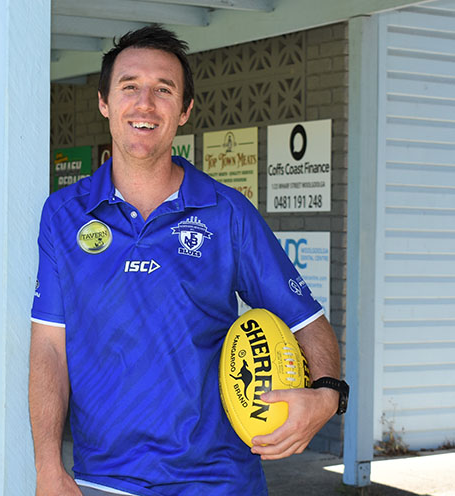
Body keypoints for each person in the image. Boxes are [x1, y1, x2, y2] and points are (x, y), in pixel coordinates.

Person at [29, 25, 346, 496]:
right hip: (103, 480)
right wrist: (47, 468)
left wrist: (328, 394)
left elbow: (306, 320)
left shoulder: (227, 212)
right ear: (104, 102)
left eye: (163, 90)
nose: (145, 104)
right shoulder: (63, 214)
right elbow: (49, 348)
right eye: (129, 87)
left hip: (218, 481)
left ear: (184, 110)